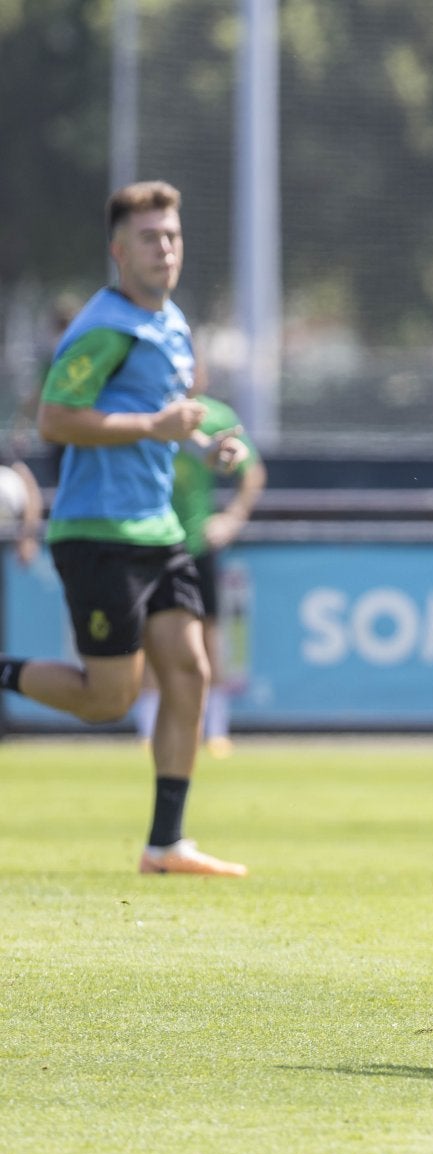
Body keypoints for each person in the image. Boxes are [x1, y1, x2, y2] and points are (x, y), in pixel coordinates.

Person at [0, 180, 247, 876]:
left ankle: (165, 844)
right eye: (149, 237)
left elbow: (176, 411)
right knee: (108, 698)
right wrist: (155, 427)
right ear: (119, 250)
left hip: (158, 529)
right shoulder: (102, 326)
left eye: (171, 235)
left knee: (192, 670)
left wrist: (208, 443)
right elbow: (55, 418)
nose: (164, 248)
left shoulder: (172, 323)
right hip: (98, 533)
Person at [131, 393, 266, 757]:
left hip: (194, 546)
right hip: (145, 541)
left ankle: (216, 730)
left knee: (208, 636)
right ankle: (147, 729)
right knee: (149, 636)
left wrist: (232, 518)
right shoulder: (145, 408)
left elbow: (250, 471)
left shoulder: (215, 416)